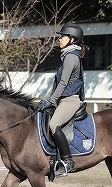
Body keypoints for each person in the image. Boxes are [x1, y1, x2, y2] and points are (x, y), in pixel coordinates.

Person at [37, 23, 87, 176]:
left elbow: (64, 83)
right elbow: (57, 85)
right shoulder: (67, 55)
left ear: (72, 39)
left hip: (70, 100)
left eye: (62, 36)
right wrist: (46, 99)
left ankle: (67, 160)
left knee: (53, 124)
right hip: (62, 99)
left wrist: (51, 101)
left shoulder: (71, 57)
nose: (59, 39)